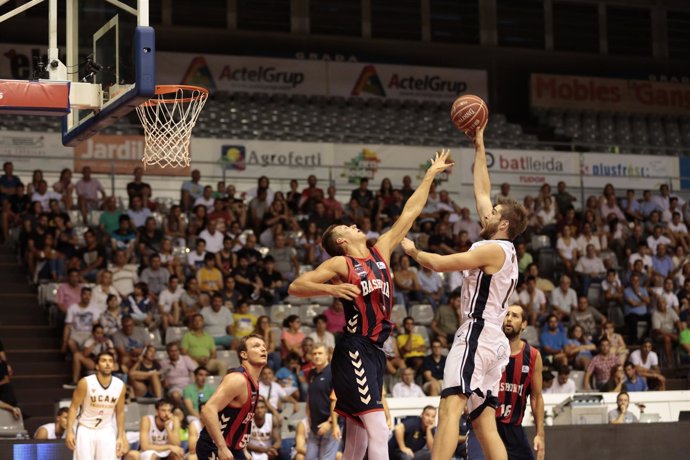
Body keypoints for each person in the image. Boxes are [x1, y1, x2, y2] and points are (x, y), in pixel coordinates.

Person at [288, 149, 452, 460]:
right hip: (354, 348)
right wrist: (330, 289)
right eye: (348, 228)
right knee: (378, 428)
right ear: (342, 241)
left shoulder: (381, 251)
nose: (354, 227)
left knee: (358, 438)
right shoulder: (341, 263)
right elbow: (296, 286)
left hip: (376, 351)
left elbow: (410, 212)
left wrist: (431, 175)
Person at [401, 124, 528, 460]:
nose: (486, 212)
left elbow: (443, 264)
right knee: (485, 423)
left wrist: (414, 252)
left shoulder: (492, 249)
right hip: (494, 342)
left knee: (449, 407)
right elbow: (482, 189)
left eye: (494, 214)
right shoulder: (505, 248)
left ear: (503, 224)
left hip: (477, 332)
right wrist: (480, 145)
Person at [467, 304, 545, 460]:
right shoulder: (486, 350)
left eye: (515, 316)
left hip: (513, 430)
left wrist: (540, 434)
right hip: (484, 424)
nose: (509, 319)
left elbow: (536, 397)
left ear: (524, 324)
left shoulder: (533, 356)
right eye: (506, 315)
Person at [196, 334, 267, 460]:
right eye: (256, 346)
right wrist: (222, 448)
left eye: (263, 346)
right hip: (214, 446)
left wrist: (243, 448)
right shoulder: (237, 379)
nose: (263, 349)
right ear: (244, 354)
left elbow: (244, 419)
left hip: (234, 447)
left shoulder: (254, 382)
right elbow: (208, 410)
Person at [65, 351, 127, 460]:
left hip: (106, 429)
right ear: (97, 366)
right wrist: (69, 431)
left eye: (110, 361)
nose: (107, 364)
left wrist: (120, 436)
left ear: (113, 366)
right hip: (85, 428)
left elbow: (120, 412)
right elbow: (73, 407)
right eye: (104, 361)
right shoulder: (85, 383)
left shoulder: (120, 385)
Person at [305, 344, 339, 460]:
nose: (317, 356)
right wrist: (308, 416)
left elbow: (339, 400)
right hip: (314, 425)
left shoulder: (334, 372)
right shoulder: (311, 374)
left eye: (320, 353)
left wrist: (330, 423)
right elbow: (310, 396)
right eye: (314, 354)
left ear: (327, 355)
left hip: (330, 425)